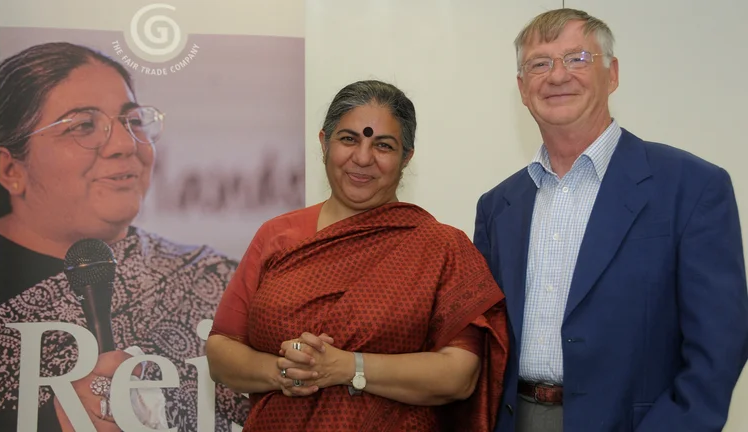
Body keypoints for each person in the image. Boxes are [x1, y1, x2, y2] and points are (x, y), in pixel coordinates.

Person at [473, 8, 748, 432]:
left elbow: (719, 348)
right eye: (539, 64)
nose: (558, 75)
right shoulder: (497, 206)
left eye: (577, 58)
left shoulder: (692, 187)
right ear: (522, 88)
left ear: (612, 74)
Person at [206, 79, 510, 431]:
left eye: (383, 145)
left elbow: (459, 374)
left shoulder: (441, 248)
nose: (363, 158)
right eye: (349, 139)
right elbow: (222, 350)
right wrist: (285, 372)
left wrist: (349, 367)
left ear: (406, 156)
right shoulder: (277, 236)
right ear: (324, 143)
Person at [0, 42, 249, 431]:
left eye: (133, 122)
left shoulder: (212, 278)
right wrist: (52, 420)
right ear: (10, 168)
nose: (127, 145)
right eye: (83, 126)